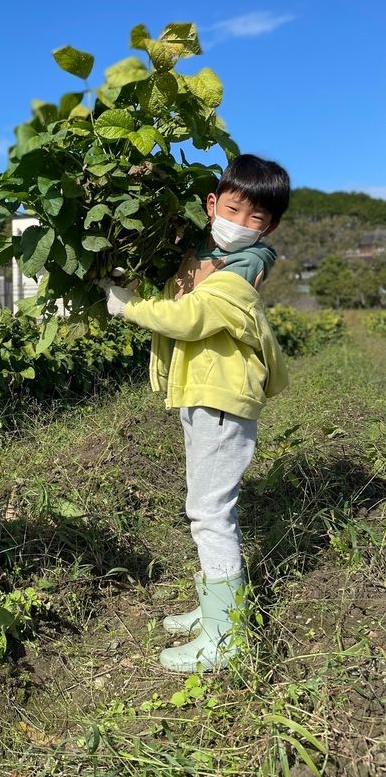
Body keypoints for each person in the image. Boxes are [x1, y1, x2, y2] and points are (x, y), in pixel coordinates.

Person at [101, 154, 290, 672]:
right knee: (205, 507)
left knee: (210, 513)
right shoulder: (208, 262)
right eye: (234, 210)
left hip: (222, 404)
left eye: (257, 219)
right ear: (213, 205)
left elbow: (186, 316)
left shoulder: (235, 280)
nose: (243, 225)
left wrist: (127, 307)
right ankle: (216, 611)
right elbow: (181, 291)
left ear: (270, 226)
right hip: (206, 400)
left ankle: (227, 638)